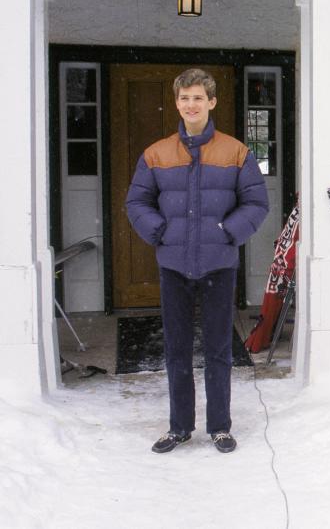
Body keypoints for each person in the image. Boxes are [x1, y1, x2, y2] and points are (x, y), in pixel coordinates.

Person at [126, 68, 269, 454]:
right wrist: (160, 232)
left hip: (219, 264)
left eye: (198, 98)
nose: (191, 104)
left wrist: (226, 232)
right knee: (176, 349)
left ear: (212, 102)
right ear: (177, 103)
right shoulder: (156, 154)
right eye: (184, 98)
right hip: (173, 264)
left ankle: (220, 426)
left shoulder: (236, 152)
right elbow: (136, 202)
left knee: (220, 348)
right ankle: (179, 427)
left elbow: (256, 203)